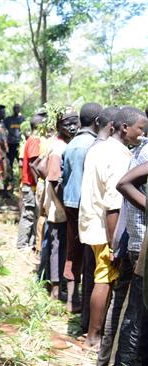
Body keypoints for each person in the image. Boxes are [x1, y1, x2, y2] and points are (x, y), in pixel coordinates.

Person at [79, 106, 146, 349]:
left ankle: (90, 329)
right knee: (104, 279)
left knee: (98, 275)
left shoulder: (98, 148)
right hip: (106, 228)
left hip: (92, 221)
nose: (142, 133)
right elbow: (114, 203)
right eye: (140, 128)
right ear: (124, 127)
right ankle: (94, 337)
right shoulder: (120, 156)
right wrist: (115, 244)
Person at [104, 107, 148, 365]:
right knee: (136, 316)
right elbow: (123, 184)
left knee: (133, 313)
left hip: (134, 239)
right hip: (141, 242)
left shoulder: (138, 149)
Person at [60, 103, 102, 313]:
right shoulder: (94, 145)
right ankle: (86, 306)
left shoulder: (71, 144)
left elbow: (62, 177)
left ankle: (72, 300)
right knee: (90, 256)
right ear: (97, 121)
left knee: (73, 251)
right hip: (87, 206)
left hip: (69, 203)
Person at [38, 110, 78, 298]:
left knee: (59, 244)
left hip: (59, 204)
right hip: (59, 207)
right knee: (58, 245)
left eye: (74, 122)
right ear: (58, 126)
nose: (72, 127)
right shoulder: (59, 148)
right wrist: (65, 205)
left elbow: (39, 166)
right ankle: (55, 288)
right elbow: (54, 179)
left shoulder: (63, 145)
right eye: (67, 123)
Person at [16, 115, 42, 249]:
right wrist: (38, 183)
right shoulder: (34, 141)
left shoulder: (33, 140)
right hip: (30, 184)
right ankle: (22, 244)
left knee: (33, 214)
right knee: (29, 214)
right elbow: (33, 164)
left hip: (30, 184)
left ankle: (30, 243)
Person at [3, 103, 24, 180]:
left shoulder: (22, 119)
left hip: (19, 144)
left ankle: (22, 179)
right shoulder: (8, 119)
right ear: (13, 109)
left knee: (21, 163)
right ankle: (9, 179)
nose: (16, 109)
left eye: (18, 108)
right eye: (15, 108)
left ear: (20, 109)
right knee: (9, 162)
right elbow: (3, 129)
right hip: (10, 144)